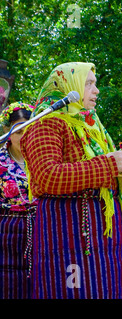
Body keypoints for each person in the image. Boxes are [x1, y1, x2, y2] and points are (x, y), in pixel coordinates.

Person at [20, 62, 122, 299]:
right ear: (68, 86)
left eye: (95, 84)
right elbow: (46, 176)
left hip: (104, 240)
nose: (96, 91)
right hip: (68, 237)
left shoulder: (92, 126)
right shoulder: (45, 124)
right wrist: (108, 165)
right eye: (89, 84)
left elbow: (104, 177)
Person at [0, 102, 37, 298]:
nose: (25, 137)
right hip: (7, 234)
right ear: (7, 131)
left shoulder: (44, 159)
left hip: (41, 231)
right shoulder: (0, 161)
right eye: (19, 131)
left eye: (30, 130)